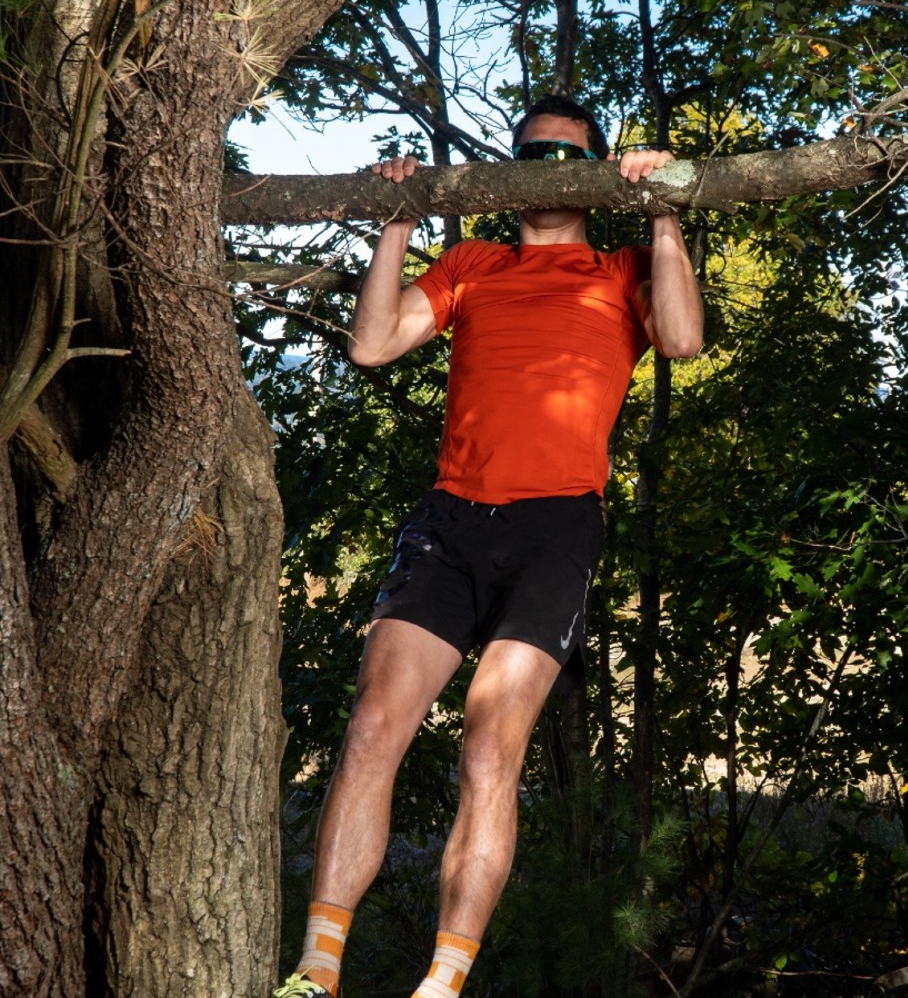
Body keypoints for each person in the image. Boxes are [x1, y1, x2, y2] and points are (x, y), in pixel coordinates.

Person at [274, 94, 703, 998]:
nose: (547, 171)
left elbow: (685, 340)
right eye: (531, 154)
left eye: (568, 159)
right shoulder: (474, 262)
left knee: (486, 747)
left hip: (556, 526)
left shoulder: (622, 267)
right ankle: (318, 971)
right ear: (510, 169)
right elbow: (373, 344)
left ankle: (443, 983)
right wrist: (396, 222)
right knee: (374, 726)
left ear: (592, 176)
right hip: (452, 519)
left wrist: (663, 206)